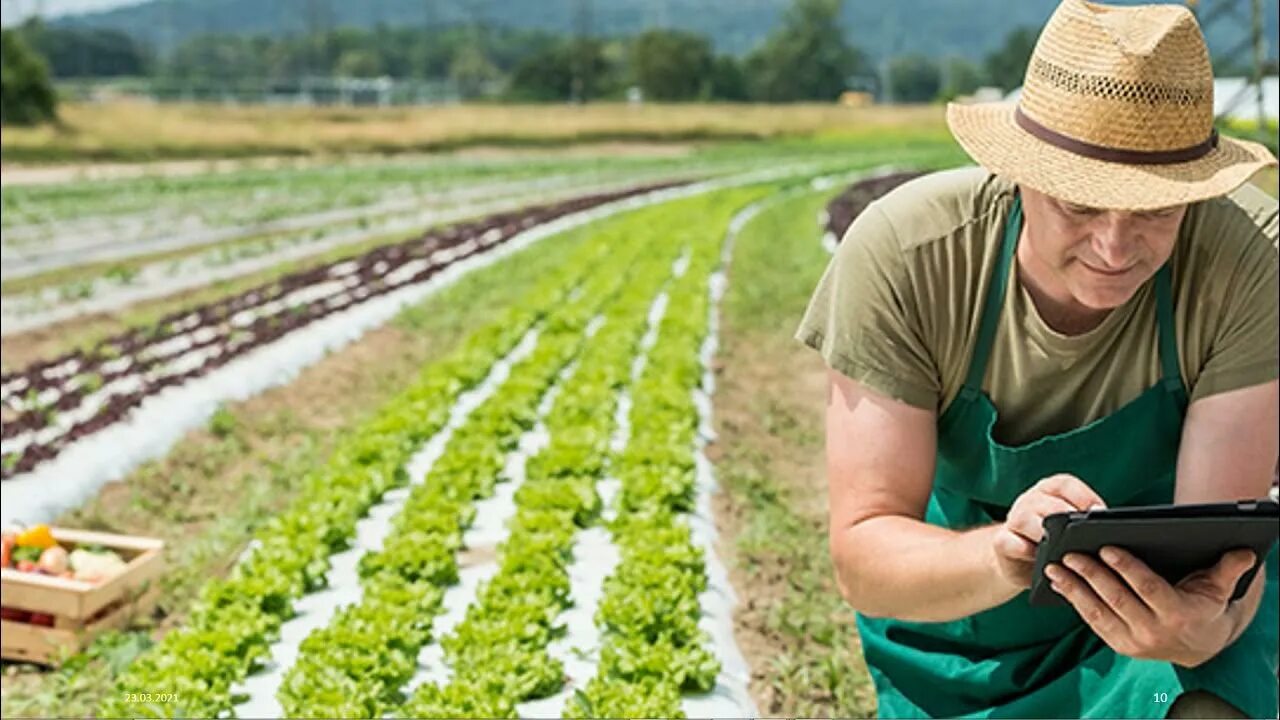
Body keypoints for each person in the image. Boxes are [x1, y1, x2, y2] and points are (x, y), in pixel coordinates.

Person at [795, 0, 1279, 717]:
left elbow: (1217, 545)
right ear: (1019, 173)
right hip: (962, 618)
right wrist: (1005, 554)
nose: (1115, 250)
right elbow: (865, 554)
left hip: (1157, 605)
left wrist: (1208, 627)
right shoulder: (911, 255)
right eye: (1079, 206)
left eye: (1154, 211)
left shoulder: (1249, 260)